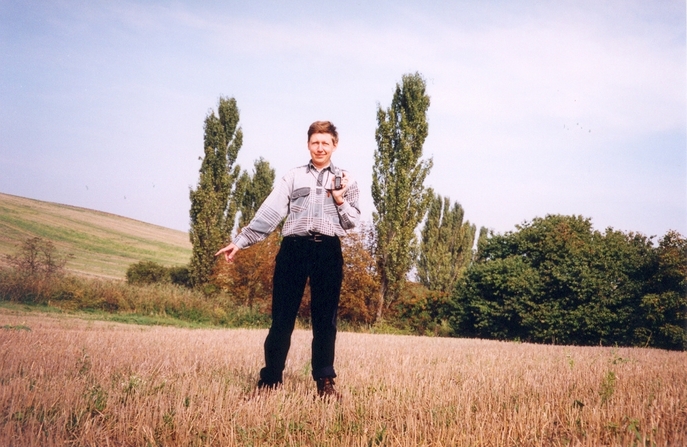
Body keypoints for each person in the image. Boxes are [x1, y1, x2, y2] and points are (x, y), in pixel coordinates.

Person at [215, 120, 360, 398]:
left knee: (325, 320)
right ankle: (270, 379)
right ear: (308, 144)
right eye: (315, 142)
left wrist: (340, 199)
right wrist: (240, 241)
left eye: (325, 143)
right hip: (293, 249)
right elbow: (270, 213)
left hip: (328, 251)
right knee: (282, 317)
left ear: (334, 145)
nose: (320, 147)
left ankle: (325, 382)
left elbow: (353, 222)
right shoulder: (293, 177)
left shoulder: (346, 179)